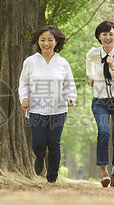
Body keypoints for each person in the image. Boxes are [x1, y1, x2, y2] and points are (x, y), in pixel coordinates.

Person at [19, 25, 77, 183]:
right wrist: (24, 99)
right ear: (37, 41)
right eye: (43, 40)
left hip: (58, 109)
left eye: (50, 40)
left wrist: (71, 97)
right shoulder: (30, 62)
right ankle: (39, 157)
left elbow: (69, 85)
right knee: (38, 143)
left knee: (54, 143)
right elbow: (23, 84)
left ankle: (52, 178)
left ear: (56, 42)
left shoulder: (63, 63)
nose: (46, 43)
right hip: (36, 109)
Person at [86, 21, 114, 189]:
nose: (108, 37)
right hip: (100, 100)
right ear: (99, 36)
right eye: (104, 34)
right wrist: (90, 75)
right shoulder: (93, 53)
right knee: (104, 132)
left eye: (111, 34)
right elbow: (88, 62)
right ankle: (103, 171)